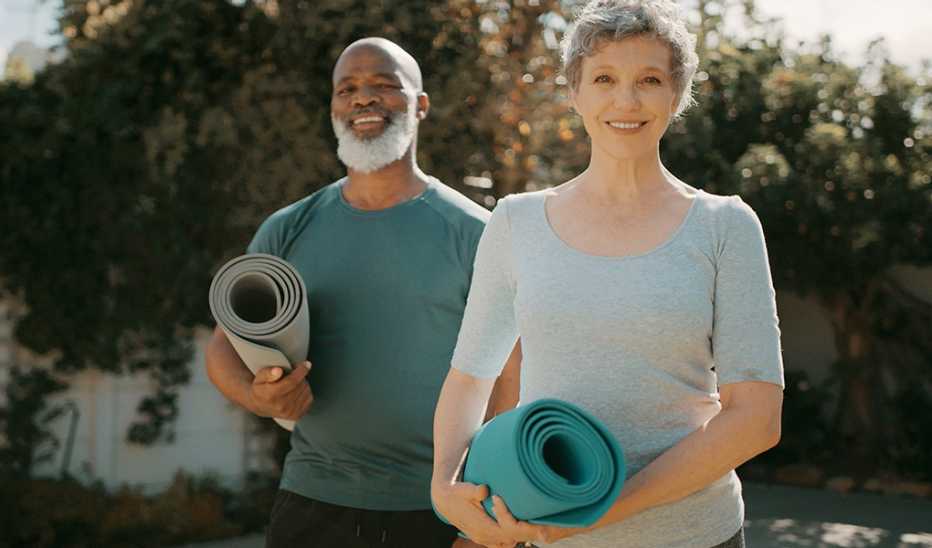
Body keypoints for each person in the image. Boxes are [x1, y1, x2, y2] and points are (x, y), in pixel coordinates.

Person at [431, 1, 784, 546]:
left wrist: (602, 509)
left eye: (649, 79)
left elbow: (756, 418)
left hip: (696, 535)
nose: (626, 100)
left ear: (676, 95)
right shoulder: (516, 221)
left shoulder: (725, 226)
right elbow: (470, 376)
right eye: (603, 78)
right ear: (575, 93)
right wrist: (444, 485)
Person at [204, 37, 520, 548]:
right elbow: (223, 346)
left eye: (384, 85)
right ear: (333, 107)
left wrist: (482, 520)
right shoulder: (288, 229)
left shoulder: (477, 233)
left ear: (420, 104)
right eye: (347, 88)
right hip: (312, 504)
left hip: (440, 509)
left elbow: (512, 375)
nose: (363, 98)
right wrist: (257, 397)